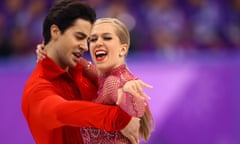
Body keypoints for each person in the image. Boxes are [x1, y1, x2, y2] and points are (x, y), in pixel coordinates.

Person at [22, 0, 151, 144]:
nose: (85, 46)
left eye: (106, 38)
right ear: (55, 32)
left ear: (123, 48)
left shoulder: (105, 79)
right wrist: (121, 119)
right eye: (81, 37)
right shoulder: (38, 88)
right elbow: (61, 111)